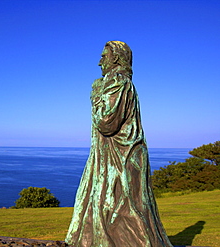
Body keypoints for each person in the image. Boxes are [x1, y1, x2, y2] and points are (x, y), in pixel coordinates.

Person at [65, 41, 172, 247]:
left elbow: (106, 123)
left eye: (103, 56)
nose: (99, 62)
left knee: (123, 209)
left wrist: (96, 96)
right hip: (114, 156)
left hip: (120, 158)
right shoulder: (120, 82)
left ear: (114, 58)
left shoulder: (118, 82)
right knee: (112, 207)